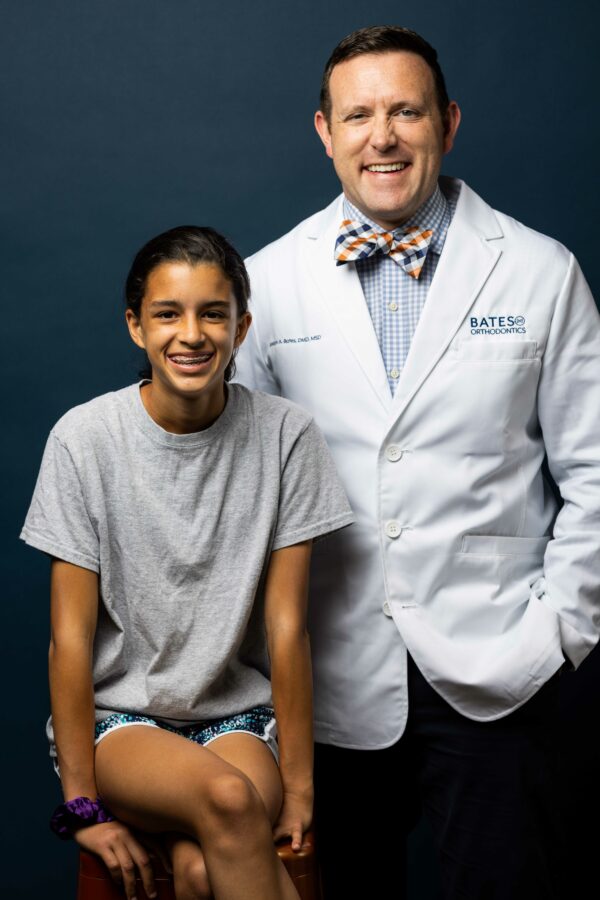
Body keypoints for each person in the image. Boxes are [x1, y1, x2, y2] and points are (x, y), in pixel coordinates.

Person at [234, 25, 600, 900]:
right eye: (358, 115)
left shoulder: (541, 272)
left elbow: (593, 472)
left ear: (449, 122)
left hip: (499, 666)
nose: (383, 137)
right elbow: (234, 488)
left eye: (406, 111)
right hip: (330, 677)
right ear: (325, 132)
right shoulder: (268, 282)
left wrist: (561, 632)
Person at [20, 225, 353, 900]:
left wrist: (299, 788)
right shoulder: (83, 439)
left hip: (238, 722)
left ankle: (186, 843)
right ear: (136, 327)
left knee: (202, 869)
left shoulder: (287, 436)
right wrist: (82, 806)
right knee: (228, 801)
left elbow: (287, 628)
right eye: (168, 314)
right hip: (123, 723)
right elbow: (70, 640)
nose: (192, 335)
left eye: (213, 314)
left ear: (242, 327)